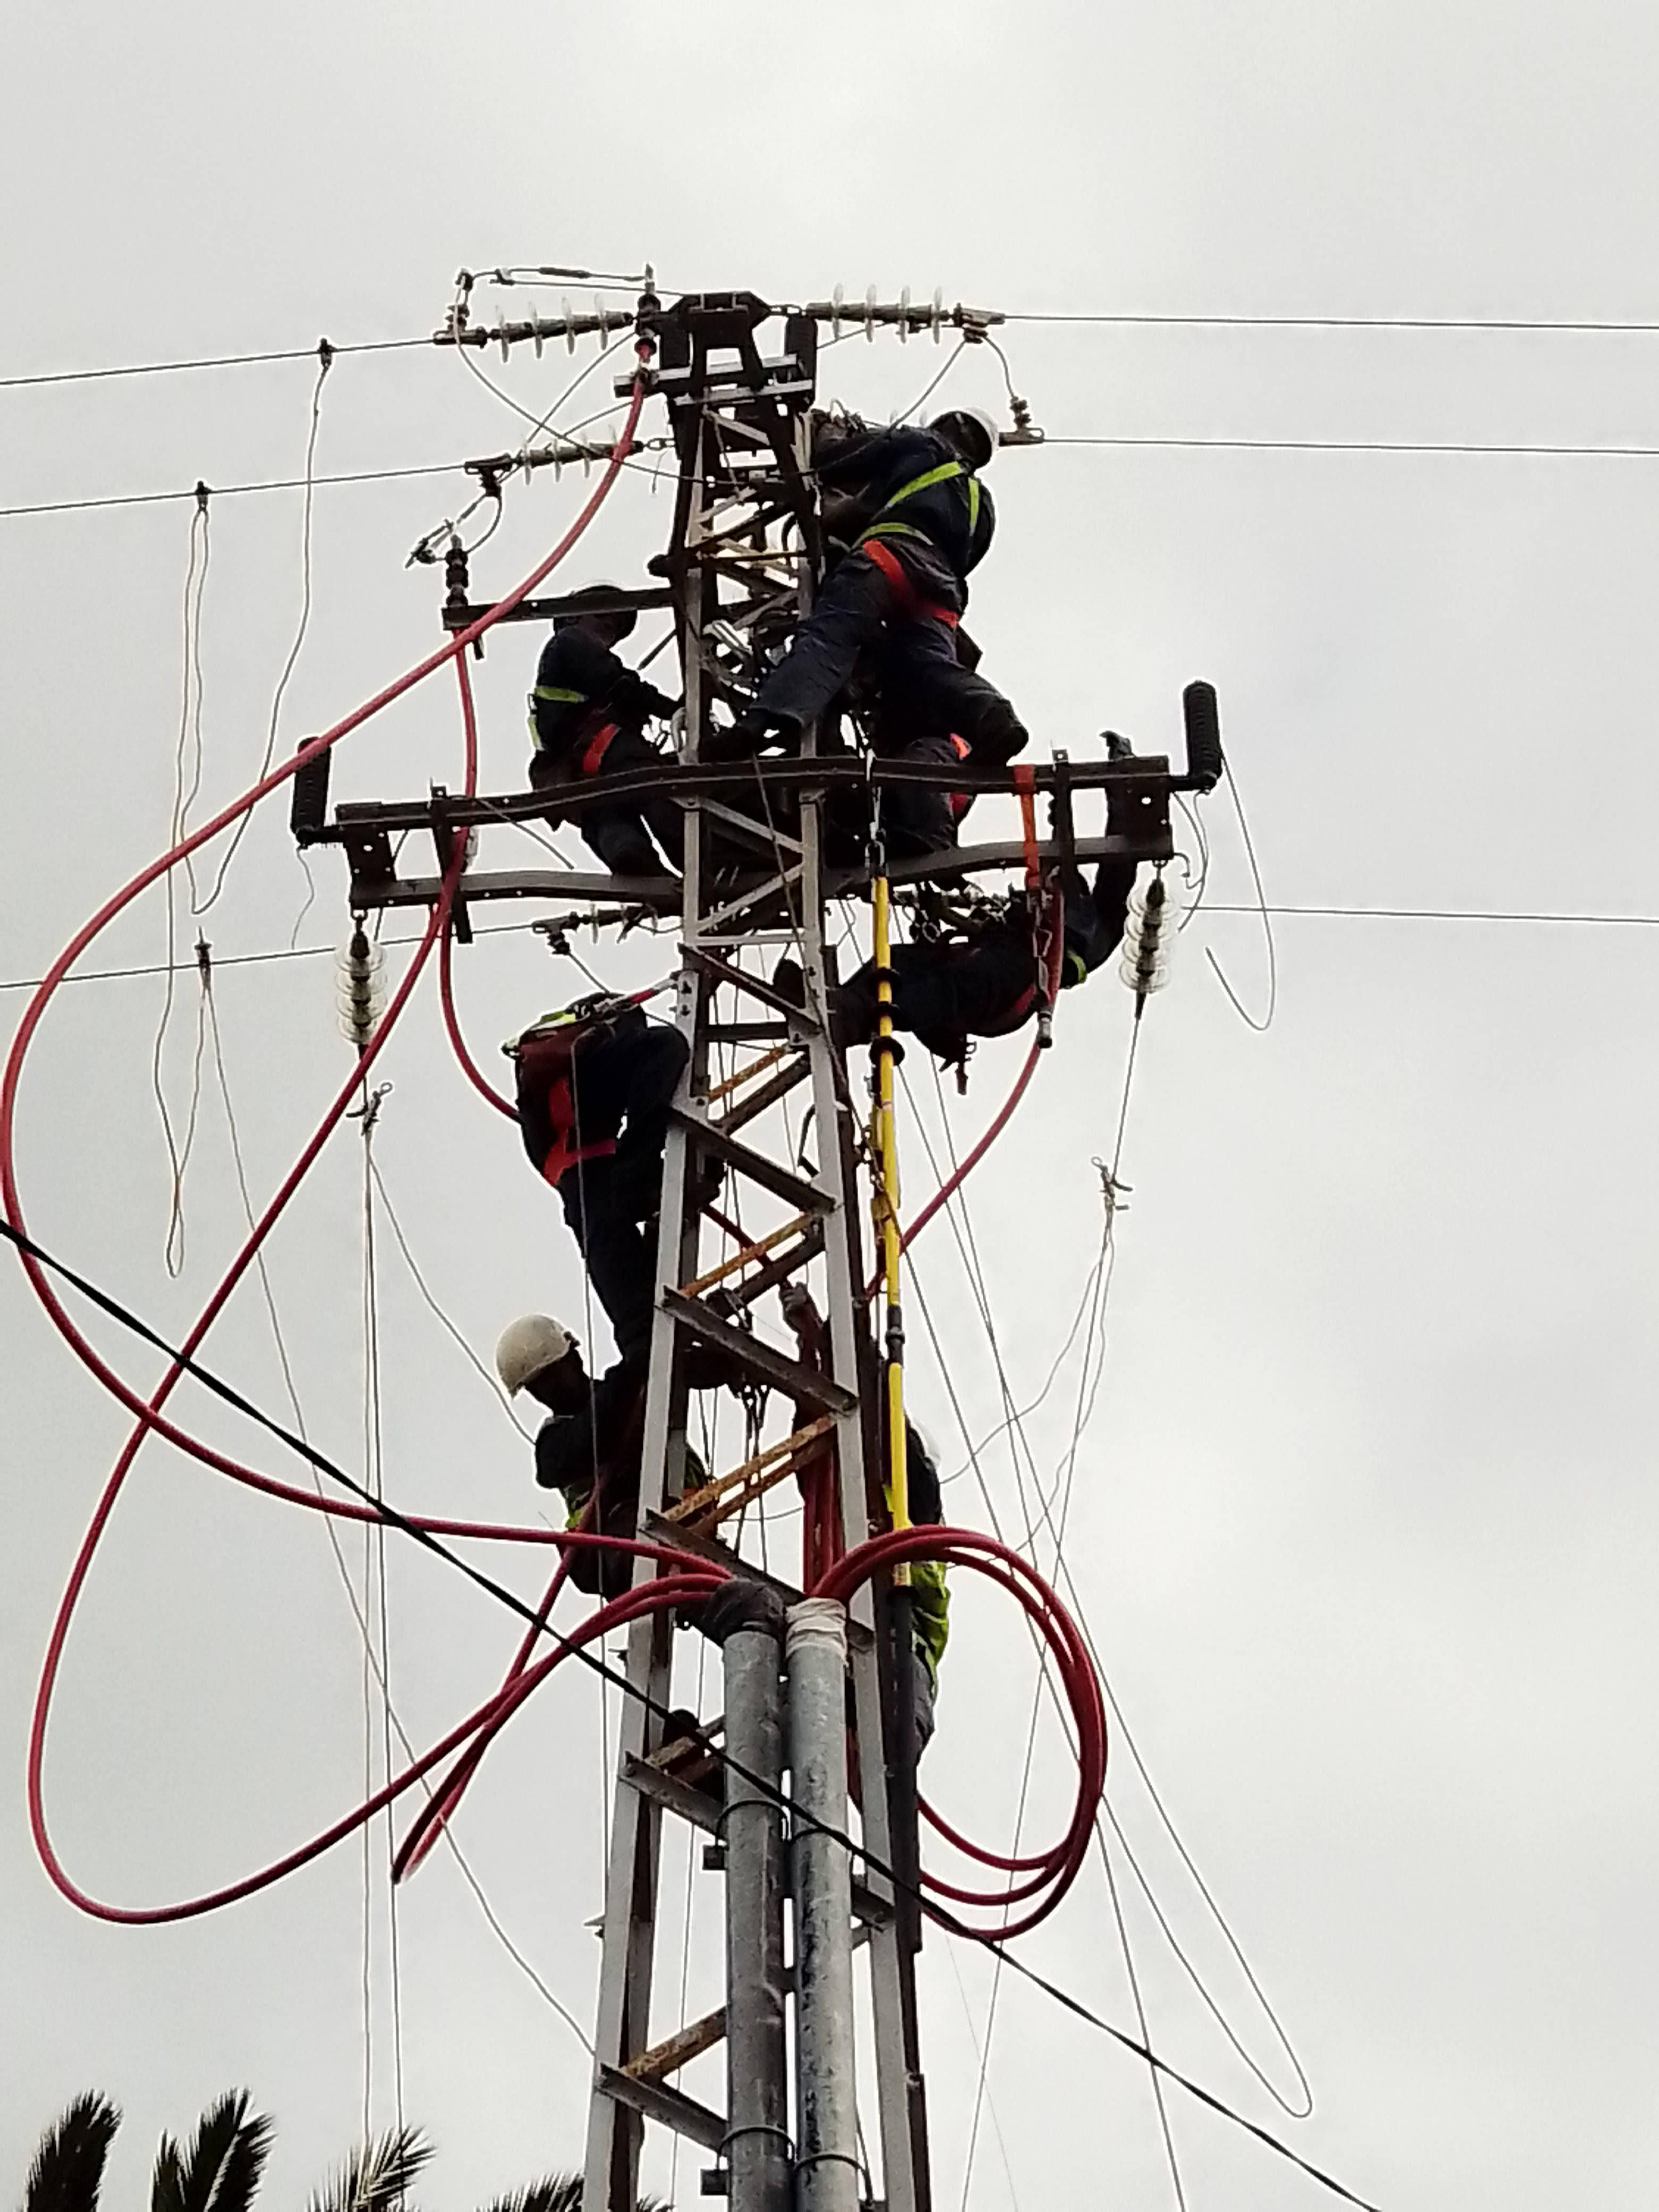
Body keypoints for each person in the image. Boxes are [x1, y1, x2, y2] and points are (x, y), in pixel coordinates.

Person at [709, 409, 1027, 768]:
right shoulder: (982, 505)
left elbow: (835, 462)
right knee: (928, 668)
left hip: (888, 560)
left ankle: (756, 725)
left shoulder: (922, 444)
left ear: (953, 423)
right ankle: (994, 717)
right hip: (940, 594)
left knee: (831, 638)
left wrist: (829, 433)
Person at [787, 856, 1139, 1071]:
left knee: (949, 988)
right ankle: (837, 1003)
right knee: (897, 960)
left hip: (1018, 978)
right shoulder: (1034, 910)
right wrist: (943, 915)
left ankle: (848, 1018)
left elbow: (1117, 873)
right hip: (994, 959)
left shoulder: (1092, 929)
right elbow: (988, 931)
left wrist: (1124, 796)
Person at [508, 994, 686, 1361]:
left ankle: (654, 1351)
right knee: (664, 1047)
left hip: (580, 1157)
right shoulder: (584, 1037)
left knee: (635, 1303)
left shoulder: (584, 1053)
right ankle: (649, 1352)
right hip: (578, 1134)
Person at [527, 582, 684, 876]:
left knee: (606, 810)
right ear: (574, 617)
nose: (612, 625)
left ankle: (635, 860)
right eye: (604, 616)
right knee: (653, 786)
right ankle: (689, 848)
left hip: (579, 765)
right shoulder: (569, 641)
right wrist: (672, 709)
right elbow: (618, 684)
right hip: (604, 746)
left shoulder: (564, 658)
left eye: (618, 624)